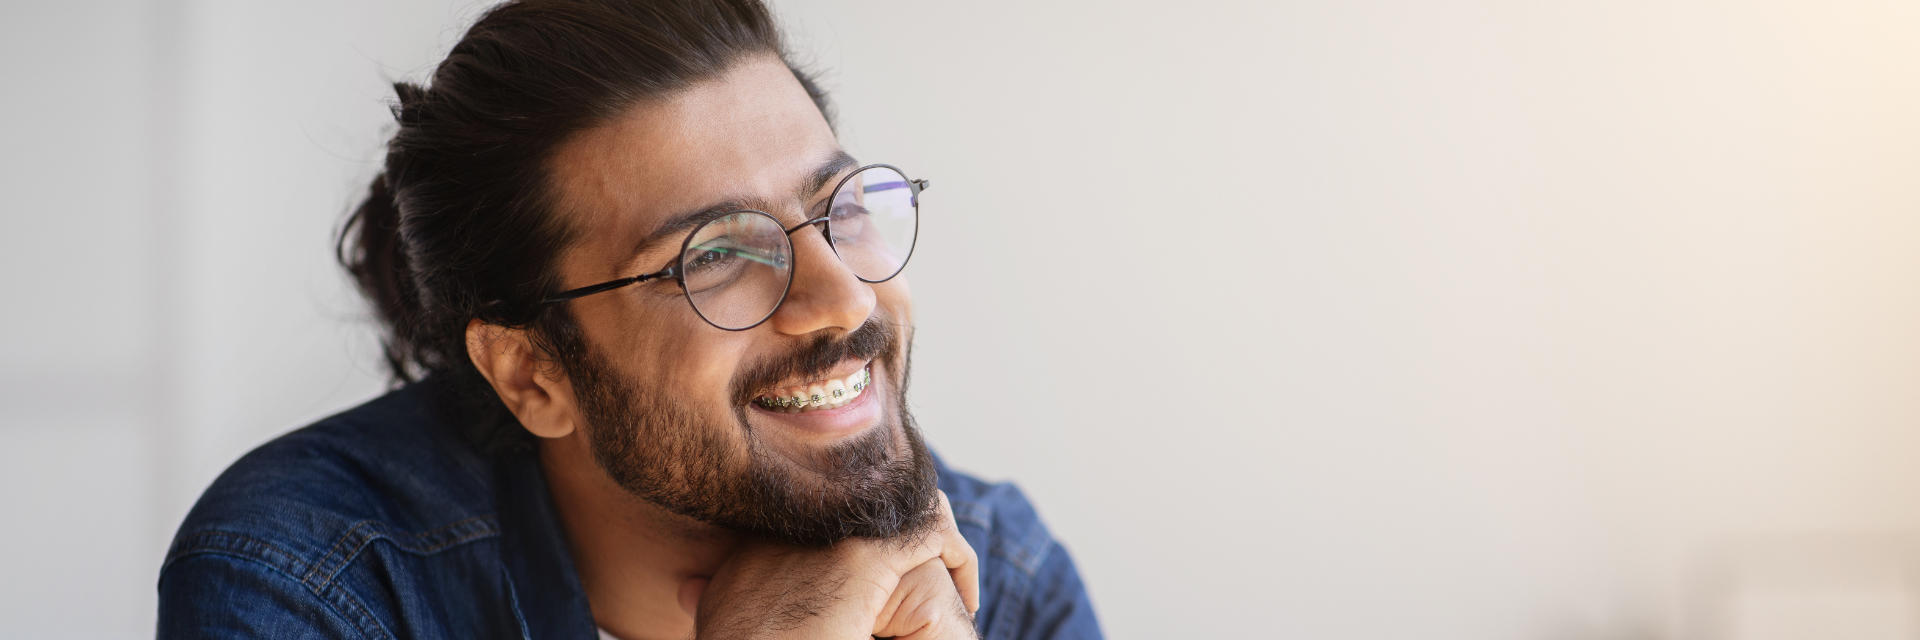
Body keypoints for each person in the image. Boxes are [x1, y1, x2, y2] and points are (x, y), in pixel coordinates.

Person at [154, 1, 1101, 638]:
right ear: (534, 375)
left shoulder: (996, 572)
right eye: (719, 255)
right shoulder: (310, 577)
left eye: (838, 208)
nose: (846, 300)